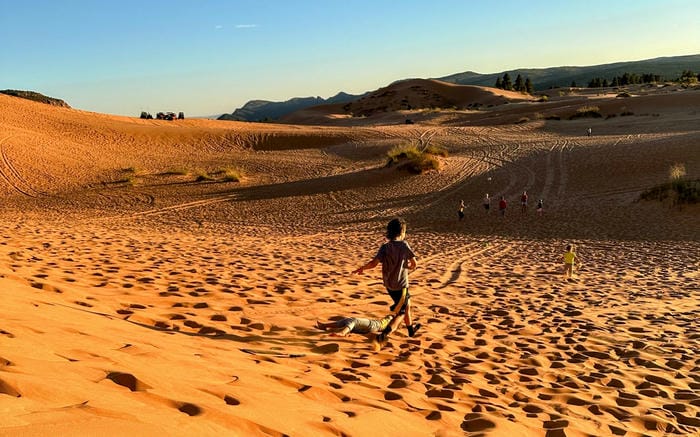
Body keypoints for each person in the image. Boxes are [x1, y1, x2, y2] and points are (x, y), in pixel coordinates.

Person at [353, 218, 420, 342]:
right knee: (400, 313)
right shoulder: (404, 245)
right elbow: (414, 263)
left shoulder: (385, 247)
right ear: (402, 232)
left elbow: (374, 263)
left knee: (407, 305)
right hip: (401, 286)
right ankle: (384, 335)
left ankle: (411, 329)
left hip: (389, 286)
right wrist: (409, 267)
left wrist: (362, 268)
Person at [316, 315, 394, 337]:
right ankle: (324, 326)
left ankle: (343, 332)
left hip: (374, 325)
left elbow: (391, 319)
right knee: (348, 321)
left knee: (353, 320)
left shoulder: (392, 319)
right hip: (371, 327)